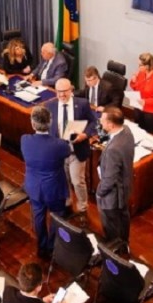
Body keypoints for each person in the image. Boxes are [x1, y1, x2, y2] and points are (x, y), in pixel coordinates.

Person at [21, 106, 71, 259]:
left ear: (32, 123)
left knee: (39, 217)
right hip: (54, 189)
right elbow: (67, 152)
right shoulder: (60, 144)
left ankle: (42, 247)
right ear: (50, 122)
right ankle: (52, 245)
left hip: (34, 187)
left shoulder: (25, 140)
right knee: (58, 217)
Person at [45, 78, 96, 219]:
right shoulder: (50, 106)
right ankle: (67, 205)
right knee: (64, 180)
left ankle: (82, 209)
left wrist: (85, 135)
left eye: (65, 92)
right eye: (59, 92)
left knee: (77, 181)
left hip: (76, 151)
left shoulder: (82, 104)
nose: (62, 95)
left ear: (71, 90)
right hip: (60, 153)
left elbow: (93, 122)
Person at [97, 107, 135, 243]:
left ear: (111, 125)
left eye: (103, 120)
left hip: (113, 196)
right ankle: (124, 242)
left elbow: (109, 180)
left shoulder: (113, 150)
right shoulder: (126, 131)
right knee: (123, 217)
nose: (100, 121)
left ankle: (115, 248)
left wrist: (99, 192)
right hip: (125, 187)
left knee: (111, 223)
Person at [129, 52, 153, 134]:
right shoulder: (141, 73)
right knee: (137, 132)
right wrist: (133, 81)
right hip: (139, 108)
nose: (138, 67)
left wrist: (146, 102)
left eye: (140, 65)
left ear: (146, 66)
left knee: (149, 135)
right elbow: (135, 87)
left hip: (151, 113)